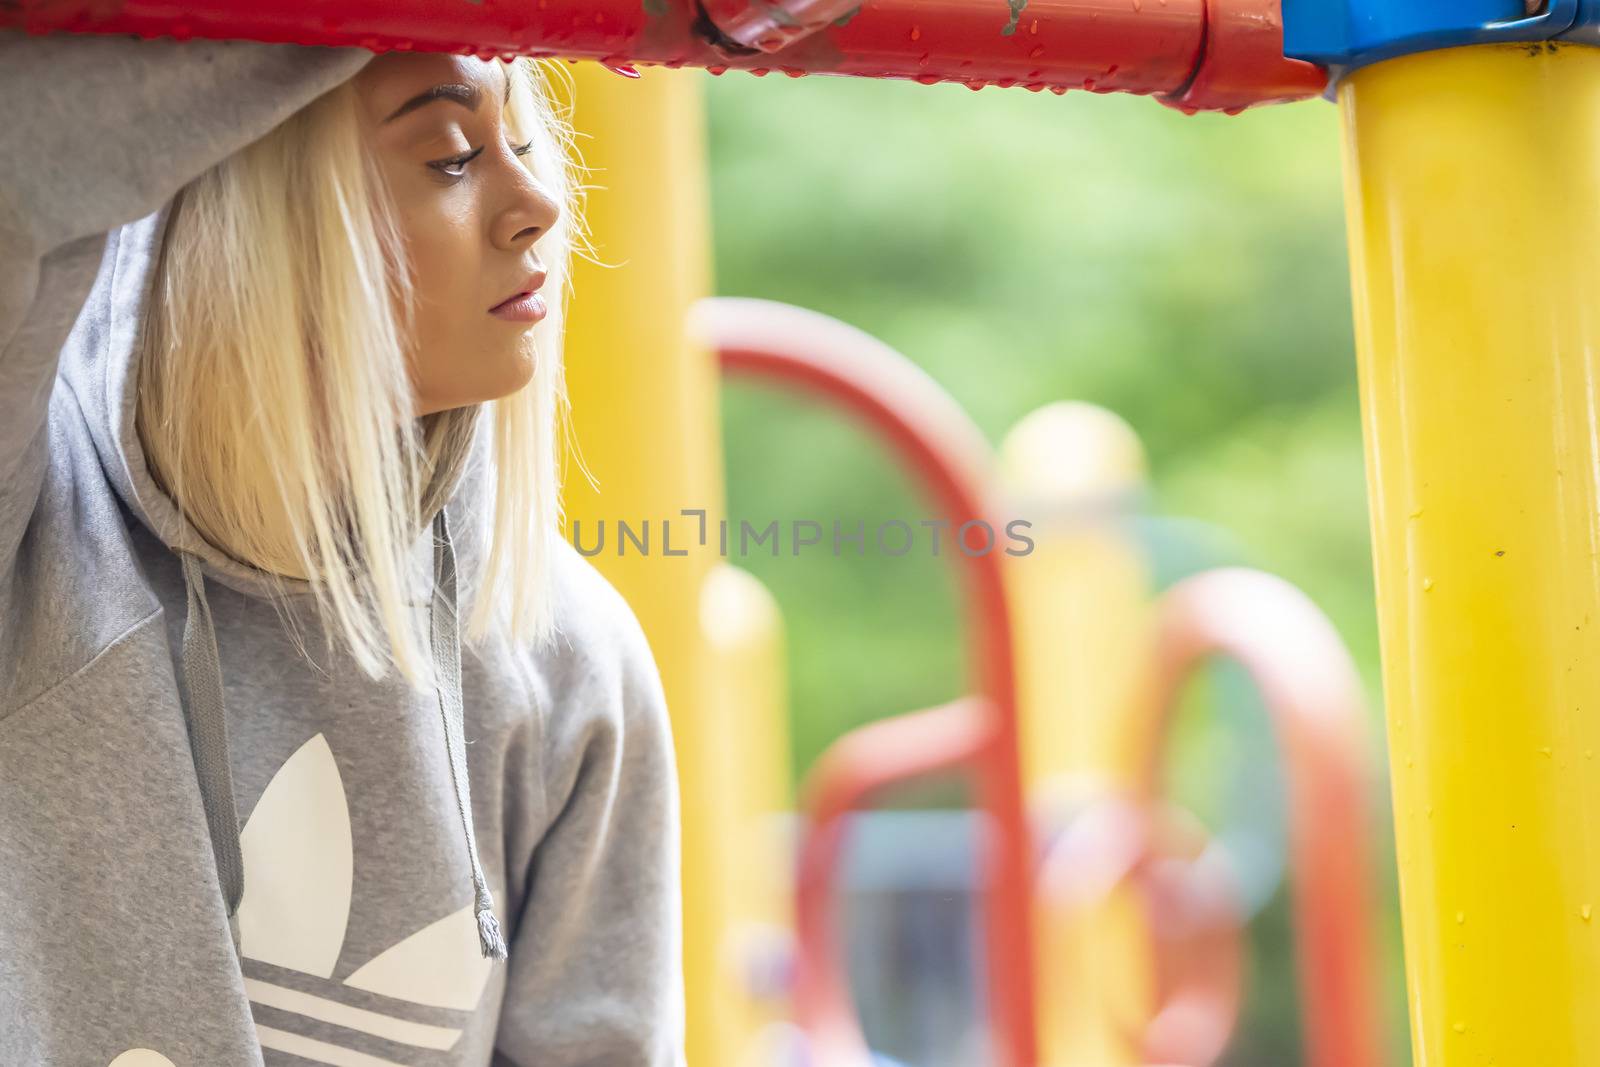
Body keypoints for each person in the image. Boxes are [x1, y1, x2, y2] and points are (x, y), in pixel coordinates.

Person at [0, 30, 687, 1067]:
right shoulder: (37, 533)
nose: (537, 204)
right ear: (261, 205)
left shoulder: (565, 652)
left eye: (526, 139)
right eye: (453, 156)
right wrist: (328, 27)